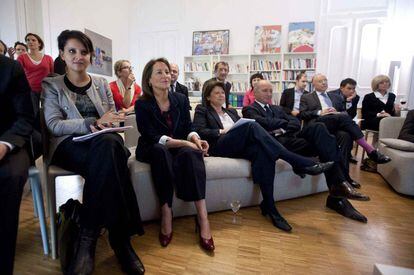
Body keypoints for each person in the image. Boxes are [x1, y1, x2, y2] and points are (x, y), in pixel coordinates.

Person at [42, 30, 144, 275]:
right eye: (72, 51)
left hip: (102, 143)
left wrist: (113, 121)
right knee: (112, 156)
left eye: (84, 52)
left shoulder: (100, 83)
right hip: (69, 146)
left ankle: (87, 238)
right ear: (62, 55)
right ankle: (120, 241)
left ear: (90, 56)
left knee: (108, 148)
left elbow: (114, 117)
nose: (79, 56)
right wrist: (92, 122)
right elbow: (54, 124)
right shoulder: (52, 85)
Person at [194, 80, 335, 232]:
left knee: (263, 151)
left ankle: (269, 206)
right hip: (219, 146)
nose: (221, 95)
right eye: (217, 93)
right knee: (251, 125)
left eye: (223, 92)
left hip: (239, 145)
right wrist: (222, 131)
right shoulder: (202, 110)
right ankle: (297, 161)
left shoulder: (231, 111)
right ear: (208, 97)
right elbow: (200, 130)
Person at [243, 80, 370, 222]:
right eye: (264, 91)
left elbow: (296, 122)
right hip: (278, 144)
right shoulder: (249, 109)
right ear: (254, 92)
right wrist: (285, 125)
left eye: (271, 91)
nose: (269, 94)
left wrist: (281, 126)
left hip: (294, 139)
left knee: (320, 128)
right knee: (330, 141)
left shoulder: (277, 108)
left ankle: (338, 187)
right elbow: (263, 124)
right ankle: (338, 193)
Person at [134, 57, 214, 251]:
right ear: (149, 79)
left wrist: (195, 139)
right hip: (152, 147)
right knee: (161, 152)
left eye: (167, 72)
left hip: (178, 144)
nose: (165, 76)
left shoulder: (180, 98)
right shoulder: (142, 104)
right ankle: (166, 212)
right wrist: (185, 142)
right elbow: (151, 135)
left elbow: (188, 126)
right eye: (159, 72)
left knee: (191, 154)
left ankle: (203, 217)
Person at [299, 74, 391, 166]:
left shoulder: (335, 96)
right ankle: (370, 150)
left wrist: (347, 103)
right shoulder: (306, 97)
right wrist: (320, 112)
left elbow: (347, 114)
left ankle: (345, 177)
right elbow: (302, 114)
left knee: (345, 136)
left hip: (335, 124)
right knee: (342, 117)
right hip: (318, 124)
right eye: (320, 81)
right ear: (313, 84)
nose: (324, 83)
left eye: (325, 80)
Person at [0, 55, 34, 275]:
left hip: (10, 141)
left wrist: (4, 144)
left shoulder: (10, 68)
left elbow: (25, 117)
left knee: (9, 176)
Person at [17, 33, 54, 113]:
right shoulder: (22, 58)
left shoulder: (48, 58)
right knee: (34, 113)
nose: (30, 42)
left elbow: (53, 75)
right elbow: (17, 73)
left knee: (47, 112)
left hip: (46, 90)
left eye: (33, 40)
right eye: (28, 40)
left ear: (39, 43)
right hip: (30, 91)